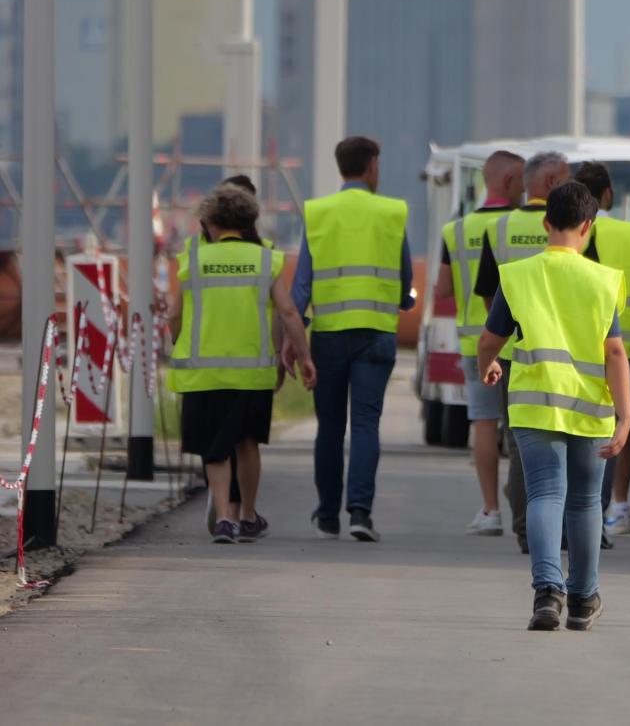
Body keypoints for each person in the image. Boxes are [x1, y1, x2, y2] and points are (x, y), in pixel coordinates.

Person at [477, 181, 630, 631]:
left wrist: (489, 365)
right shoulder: (603, 280)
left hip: (534, 403)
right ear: (589, 225)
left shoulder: (519, 274)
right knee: (585, 502)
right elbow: (615, 353)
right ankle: (583, 598)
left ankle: (548, 592)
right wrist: (624, 415)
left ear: (546, 223)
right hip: (590, 406)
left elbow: (491, 339)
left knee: (545, 494)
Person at [171, 185, 315, 542]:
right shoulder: (266, 258)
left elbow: (174, 315)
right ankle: (248, 514)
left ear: (209, 223)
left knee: (214, 446)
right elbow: (288, 311)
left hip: (204, 370)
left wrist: (180, 340)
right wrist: (304, 355)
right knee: (247, 443)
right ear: (250, 220)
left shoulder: (192, 260)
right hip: (252, 372)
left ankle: (223, 518)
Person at [295, 136, 411, 542]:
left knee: (329, 426)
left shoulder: (319, 213)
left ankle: (327, 515)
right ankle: (360, 512)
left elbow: (301, 286)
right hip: (376, 334)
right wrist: (402, 301)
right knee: (365, 423)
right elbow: (406, 283)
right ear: (371, 167)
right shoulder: (392, 212)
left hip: (327, 336)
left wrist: (292, 342)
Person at [476, 151, 571, 553]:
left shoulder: (498, 229)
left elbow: (487, 294)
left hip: (513, 355)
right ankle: (561, 529)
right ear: (551, 183)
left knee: (519, 442)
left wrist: (499, 345)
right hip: (567, 353)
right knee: (566, 438)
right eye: (566, 178)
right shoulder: (572, 228)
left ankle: (524, 529)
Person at [574, 161, 630, 539]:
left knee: (609, 433)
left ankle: (617, 509)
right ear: (608, 193)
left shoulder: (586, 234)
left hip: (597, 347)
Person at [439, 150, 524, 537]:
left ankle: (490, 510)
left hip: (477, 341)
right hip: (526, 341)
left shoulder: (454, 230)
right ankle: (527, 500)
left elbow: (441, 289)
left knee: (484, 423)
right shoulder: (531, 225)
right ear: (508, 183)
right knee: (522, 427)